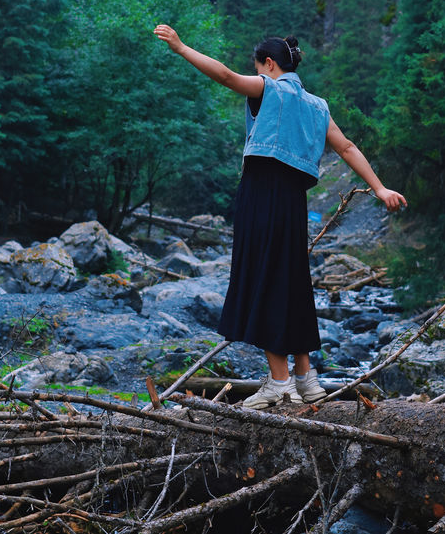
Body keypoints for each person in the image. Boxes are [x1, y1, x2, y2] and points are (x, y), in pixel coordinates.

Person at [153, 25, 407, 409]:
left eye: (259, 68)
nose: (256, 74)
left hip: (261, 194)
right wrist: (380, 188)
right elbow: (347, 146)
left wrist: (181, 47)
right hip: (292, 202)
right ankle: (306, 380)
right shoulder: (317, 105)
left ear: (269, 64)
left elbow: (224, 75)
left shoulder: (269, 89)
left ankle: (279, 383)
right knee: (291, 281)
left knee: (265, 278)